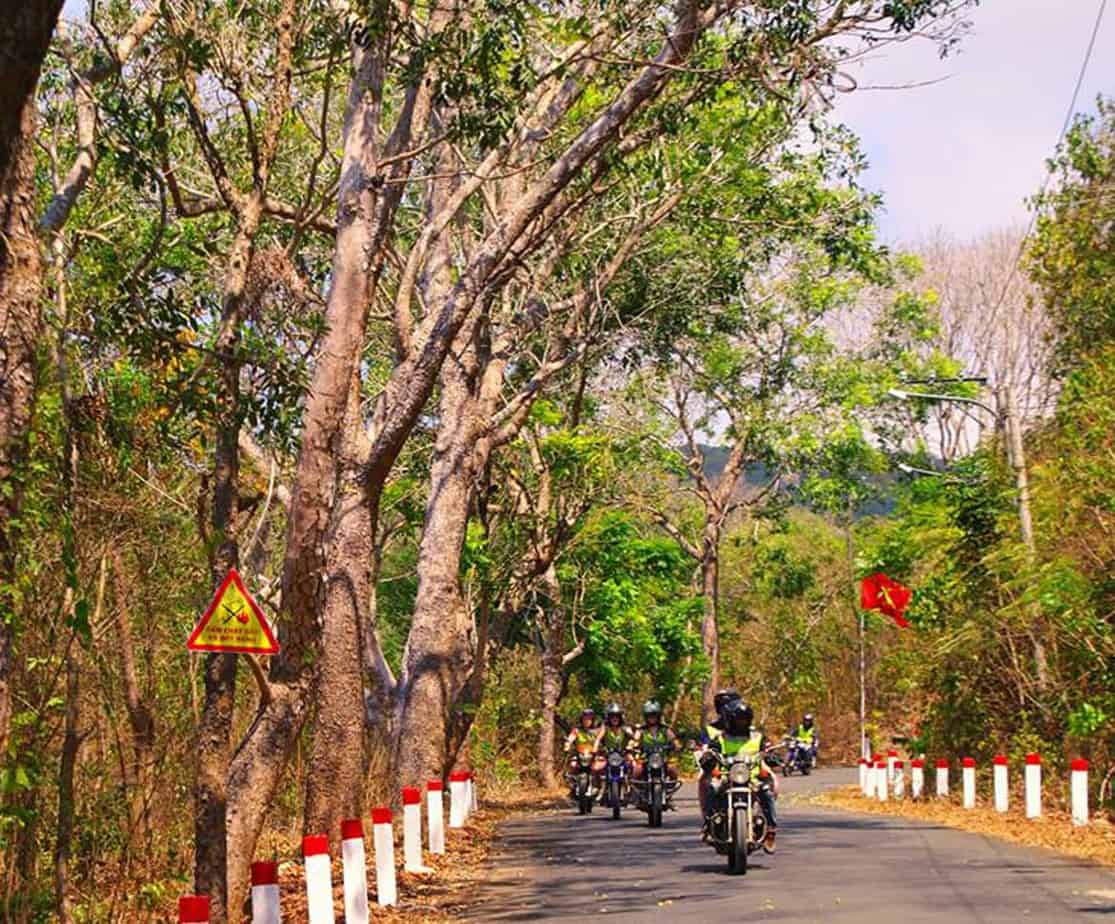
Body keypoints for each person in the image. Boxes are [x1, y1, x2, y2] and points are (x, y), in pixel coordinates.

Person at [707, 699, 778, 852]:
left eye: (744, 720)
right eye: (738, 720)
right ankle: (709, 824)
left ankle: (771, 830)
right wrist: (707, 757)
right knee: (712, 788)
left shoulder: (757, 737)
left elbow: (768, 749)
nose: (741, 723)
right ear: (730, 720)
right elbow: (710, 751)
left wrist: (772, 756)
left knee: (767, 793)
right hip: (727, 778)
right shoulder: (720, 739)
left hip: (751, 779)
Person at [697, 688, 741, 815]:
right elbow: (704, 745)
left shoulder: (744, 726)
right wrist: (706, 754)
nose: (728, 709)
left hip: (743, 765)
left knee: (770, 780)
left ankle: (764, 818)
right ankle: (707, 814)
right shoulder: (710, 729)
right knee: (704, 779)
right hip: (718, 767)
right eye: (723, 706)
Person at [631, 700, 679, 782]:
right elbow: (634, 740)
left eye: (654, 715)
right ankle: (636, 789)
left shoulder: (665, 729)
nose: (652, 718)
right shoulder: (641, 730)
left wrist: (676, 746)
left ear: (658, 716)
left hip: (662, 759)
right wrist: (632, 746)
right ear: (646, 717)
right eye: (649, 715)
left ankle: (670, 787)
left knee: (673, 769)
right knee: (637, 770)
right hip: (645, 759)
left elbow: (674, 740)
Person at [593, 702, 634, 797]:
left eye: (617, 716)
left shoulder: (625, 728)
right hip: (608, 755)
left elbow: (634, 739)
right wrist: (595, 747)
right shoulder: (605, 728)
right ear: (608, 718)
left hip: (623, 754)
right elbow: (598, 738)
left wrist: (631, 745)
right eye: (612, 716)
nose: (615, 718)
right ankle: (597, 786)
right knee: (595, 767)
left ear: (621, 717)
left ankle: (631, 786)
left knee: (634, 764)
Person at [563, 707, 598, 785]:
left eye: (589, 719)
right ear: (581, 720)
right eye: (585, 719)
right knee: (572, 765)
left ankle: (598, 784)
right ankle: (572, 782)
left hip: (593, 754)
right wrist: (567, 744)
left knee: (598, 767)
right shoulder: (577, 730)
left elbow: (602, 740)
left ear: (592, 720)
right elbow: (571, 737)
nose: (587, 721)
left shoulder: (596, 731)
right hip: (579, 754)